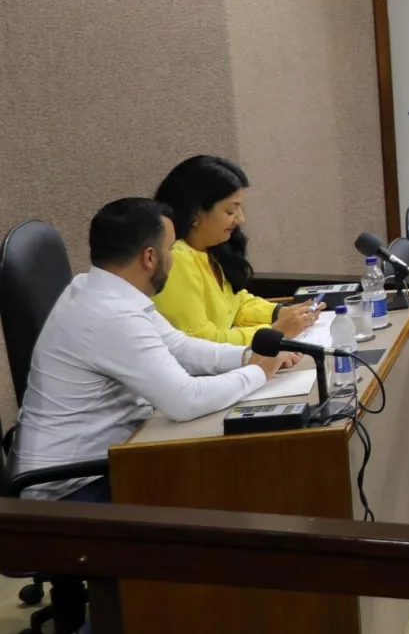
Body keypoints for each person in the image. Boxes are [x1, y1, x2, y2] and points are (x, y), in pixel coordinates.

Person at [17, 199, 291, 503]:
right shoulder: (110, 315)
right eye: (171, 249)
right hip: (72, 493)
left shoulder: (100, 289)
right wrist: (259, 372)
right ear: (150, 257)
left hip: (111, 460)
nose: (173, 259)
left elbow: (178, 346)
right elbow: (186, 400)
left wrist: (247, 357)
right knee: (229, 480)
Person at [150, 155, 315, 346]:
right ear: (195, 211)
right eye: (230, 211)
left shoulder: (210, 249)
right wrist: (275, 332)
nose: (240, 220)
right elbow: (199, 342)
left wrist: (280, 312)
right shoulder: (175, 259)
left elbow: (235, 304)